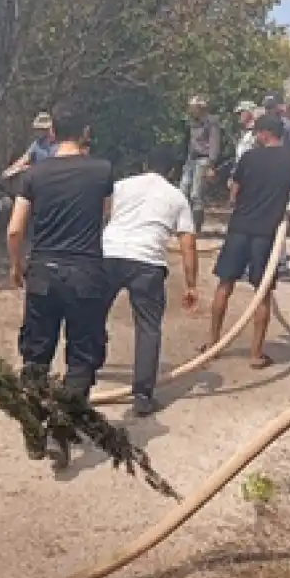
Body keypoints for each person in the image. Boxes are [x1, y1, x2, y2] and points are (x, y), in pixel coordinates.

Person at [6, 108, 113, 405]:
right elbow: (106, 215)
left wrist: (17, 267)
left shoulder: (33, 174)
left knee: (36, 356)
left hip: (42, 273)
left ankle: (36, 426)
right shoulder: (102, 170)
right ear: (85, 133)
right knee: (82, 358)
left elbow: (14, 231)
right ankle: (63, 426)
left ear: (52, 133)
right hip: (86, 274)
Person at [205, 114, 290, 369]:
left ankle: (213, 344)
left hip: (240, 226)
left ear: (264, 133)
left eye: (257, 133)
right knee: (262, 292)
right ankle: (255, 354)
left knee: (225, 285)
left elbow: (234, 195)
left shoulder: (249, 157)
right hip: (268, 232)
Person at [102, 146, 199, 416]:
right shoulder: (177, 197)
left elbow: (99, 213)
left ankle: (82, 372)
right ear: (172, 171)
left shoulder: (120, 186)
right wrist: (191, 285)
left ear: (145, 163)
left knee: (92, 316)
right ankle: (142, 396)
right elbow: (188, 244)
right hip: (147, 263)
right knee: (148, 329)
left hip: (109, 254)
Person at [180, 95, 220, 234]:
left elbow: (214, 143)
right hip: (191, 159)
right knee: (183, 190)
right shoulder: (192, 122)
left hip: (204, 159)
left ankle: (196, 227)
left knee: (196, 194)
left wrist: (211, 164)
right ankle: (183, 224)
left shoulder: (211, 122)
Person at [2, 111, 58, 177]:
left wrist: (30, 168)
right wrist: (11, 170)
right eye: (38, 129)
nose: (38, 131)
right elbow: (25, 158)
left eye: (42, 129)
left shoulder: (60, 144)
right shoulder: (37, 144)